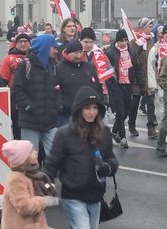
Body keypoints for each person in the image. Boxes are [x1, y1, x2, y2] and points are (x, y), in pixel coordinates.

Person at [44, 86, 118, 229]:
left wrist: (108, 168)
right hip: (73, 195)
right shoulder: (64, 134)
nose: (92, 112)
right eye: (87, 108)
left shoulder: (105, 132)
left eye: (95, 108)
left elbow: (111, 158)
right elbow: (52, 163)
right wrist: (46, 185)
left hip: (96, 195)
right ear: (79, 110)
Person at [11, 34, 61, 156]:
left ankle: (50, 176)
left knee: (56, 157)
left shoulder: (52, 66)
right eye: (53, 47)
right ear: (45, 48)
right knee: (30, 159)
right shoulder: (25, 65)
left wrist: (56, 106)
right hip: (30, 122)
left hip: (49, 121)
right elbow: (16, 91)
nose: (56, 50)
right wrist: (29, 107)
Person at [0, 140, 58, 229]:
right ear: (23, 159)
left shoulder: (29, 174)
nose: (35, 152)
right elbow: (24, 207)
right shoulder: (16, 179)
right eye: (31, 152)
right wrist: (44, 201)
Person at [105, 29, 140, 149]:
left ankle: (114, 131)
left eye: (126, 40)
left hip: (128, 84)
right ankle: (123, 137)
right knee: (119, 111)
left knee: (126, 110)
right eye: (122, 40)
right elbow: (107, 71)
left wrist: (140, 82)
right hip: (116, 85)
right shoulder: (110, 52)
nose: (124, 43)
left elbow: (137, 67)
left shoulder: (132, 52)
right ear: (117, 41)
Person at [56, 39, 102, 127]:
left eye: (81, 52)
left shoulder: (90, 68)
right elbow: (56, 91)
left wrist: (99, 101)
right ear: (68, 53)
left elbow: (97, 87)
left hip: (88, 114)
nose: (79, 56)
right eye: (76, 53)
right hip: (68, 115)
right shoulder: (59, 69)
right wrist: (62, 106)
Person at [146, 23, 167, 139]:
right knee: (163, 110)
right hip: (161, 84)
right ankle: (164, 134)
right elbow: (150, 67)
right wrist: (152, 85)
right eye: (166, 33)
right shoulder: (156, 49)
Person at [129, 17, 155, 137]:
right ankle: (132, 124)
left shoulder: (152, 41)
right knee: (134, 103)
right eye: (149, 25)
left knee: (150, 103)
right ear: (143, 27)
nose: (151, 27)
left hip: (149, 77)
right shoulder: (134, 41)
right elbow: (131, 59)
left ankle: (151, 127)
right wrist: (138, 50)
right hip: (137, 78)